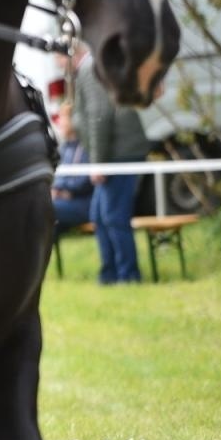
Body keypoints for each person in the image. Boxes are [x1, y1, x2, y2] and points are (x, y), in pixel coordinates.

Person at [71, 47, 150, 284]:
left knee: (114, 216)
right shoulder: (91, 66)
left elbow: (98, 115)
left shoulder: (88, 67)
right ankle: (110, 274)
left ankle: (128, 276)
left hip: (120, 154)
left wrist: (97, 164)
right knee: (99, 215)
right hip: (115, 154)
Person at [50, 101, 93, 232]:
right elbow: (57, 175)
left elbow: (85, 181)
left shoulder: (86, 146)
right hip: (63, 201)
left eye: (63, 118)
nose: (59, 123)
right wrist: (58, 189)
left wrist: (63, 190)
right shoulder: (64, 148)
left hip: (84, 204)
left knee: (45, 209)